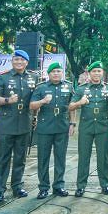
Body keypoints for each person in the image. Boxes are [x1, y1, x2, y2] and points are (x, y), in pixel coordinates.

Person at [0, 49, 39, 202]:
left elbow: (36, 99)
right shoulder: (3, 77)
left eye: (22, 60)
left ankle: (17, 186)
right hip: (7, 123)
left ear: (26, 62)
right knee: (3, 158)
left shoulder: (34, 77)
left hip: (25, 122)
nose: (19, 62)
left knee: (20, 157)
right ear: (12, 61)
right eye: (16, 60)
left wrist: (35, 116)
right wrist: (7, 100)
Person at [30, 62, 73, 199]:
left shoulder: (69, 86)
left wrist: (73, 123)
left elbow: (72, 106)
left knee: (60, 158)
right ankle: (43, 187)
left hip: (62, 127)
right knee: (43, 159)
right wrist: (43, 101)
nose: (56, 74)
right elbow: (32, 105)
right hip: (45, 128)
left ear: (62, 73)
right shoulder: (41, 87)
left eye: (59, 71)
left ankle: (59, 186)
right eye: (53, 71)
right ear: (48, 74)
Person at [70, 61, 108, 197]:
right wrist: (80, 103)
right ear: (89, 73)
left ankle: (105, 185)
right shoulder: (81, 89)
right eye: (94, 71)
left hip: (103, 126)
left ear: (103, 73)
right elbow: (71, 106)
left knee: (103, 157)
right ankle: (81, 186)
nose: (96, 73)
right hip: (86, 127)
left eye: (99, 71)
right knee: (84, 157)